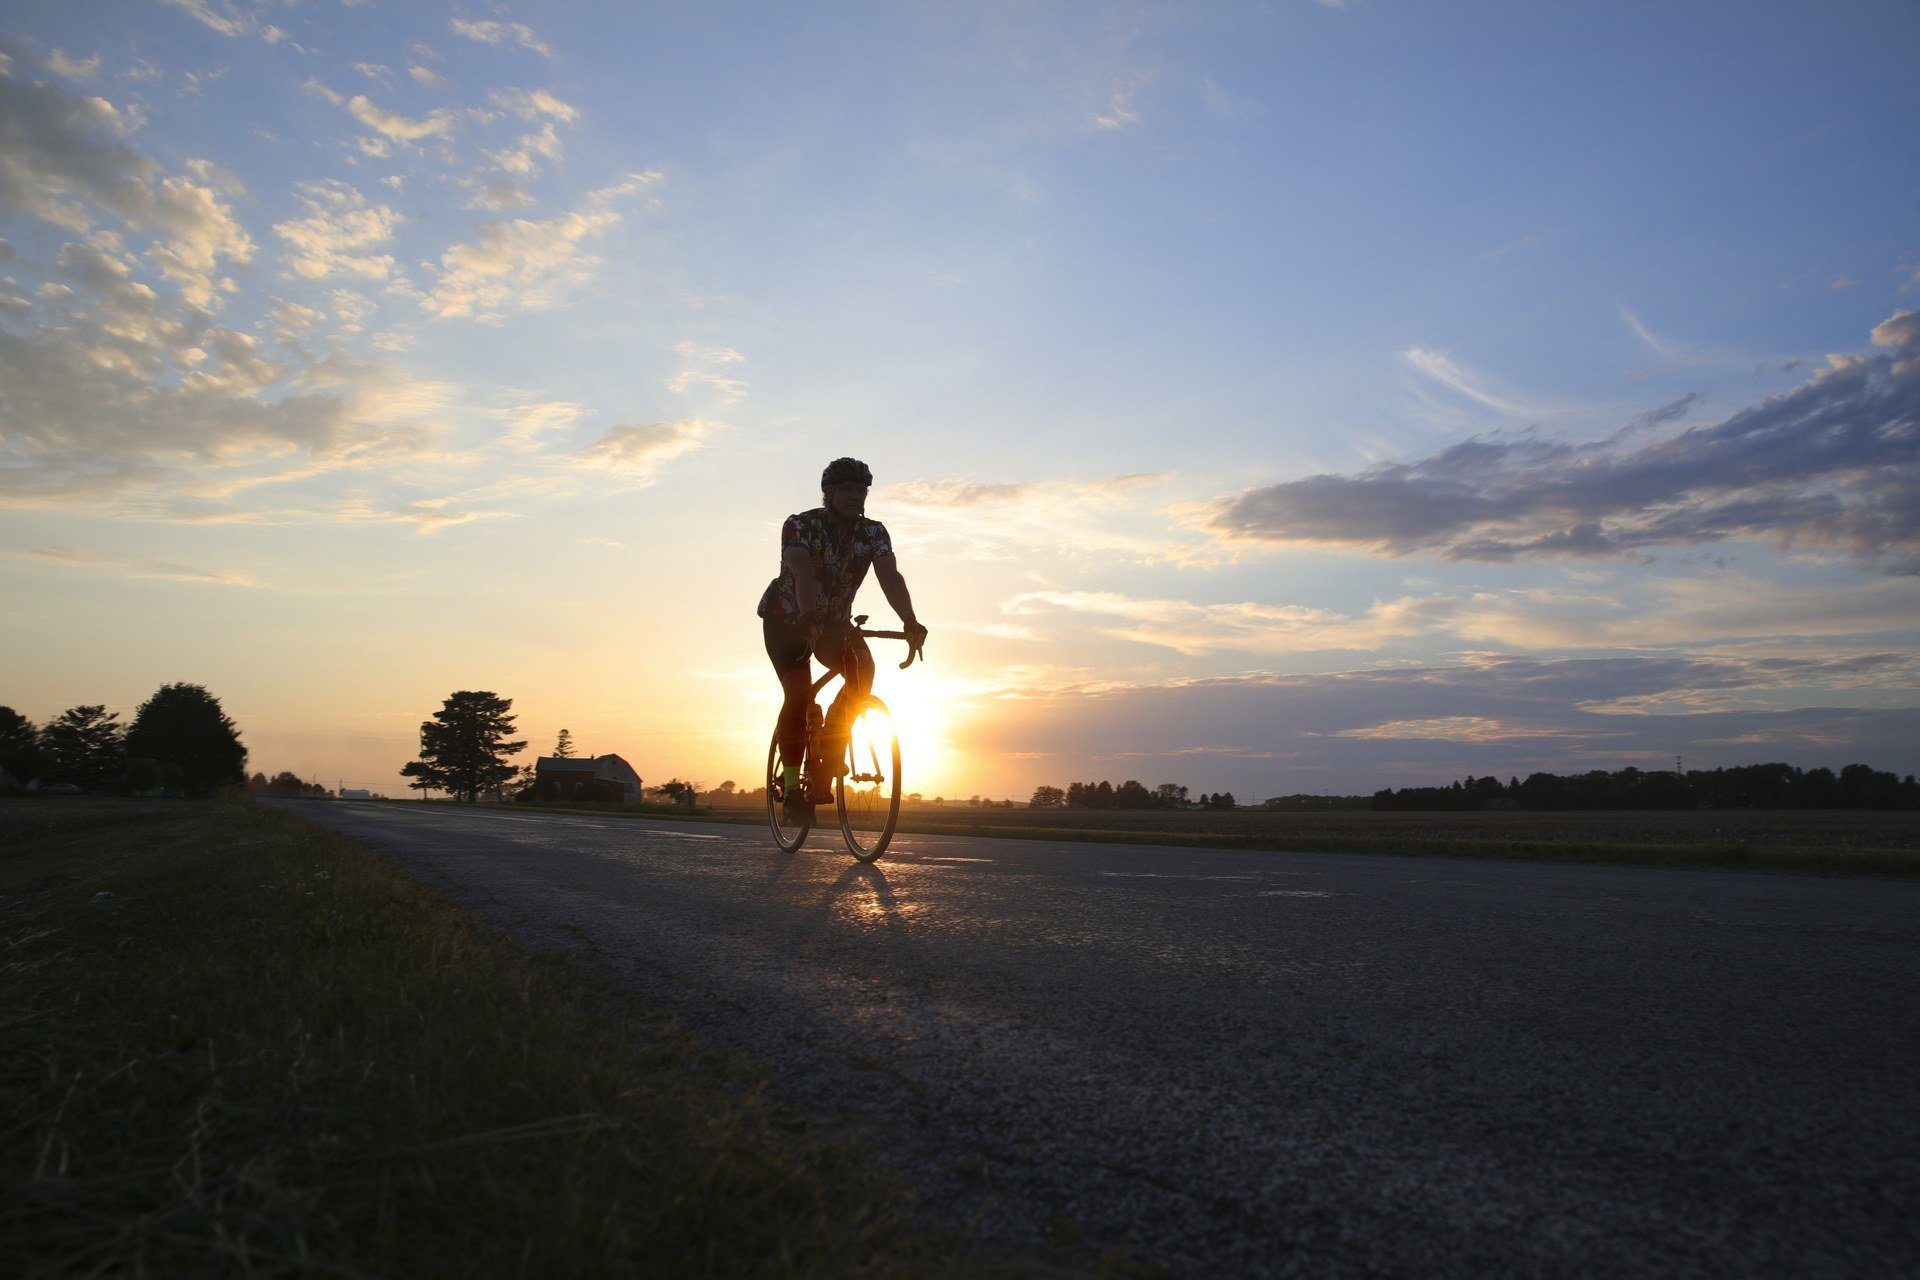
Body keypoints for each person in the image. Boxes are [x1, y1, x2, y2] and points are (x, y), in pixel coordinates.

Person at [758, 457, 928, 819]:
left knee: (862, 672)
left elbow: (889, 577)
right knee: (800, 693)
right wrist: (807, 617)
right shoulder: (800, 525)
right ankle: (791, 789)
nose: (856, 496)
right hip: (786, 620)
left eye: (861, 490)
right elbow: (802, 571)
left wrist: (910, 620)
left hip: (834, 623)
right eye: (848, 490)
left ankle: (829, 757)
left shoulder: (874, 533)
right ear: (829, 493)